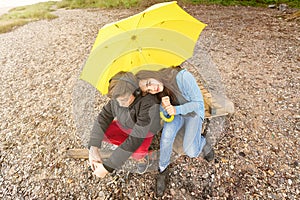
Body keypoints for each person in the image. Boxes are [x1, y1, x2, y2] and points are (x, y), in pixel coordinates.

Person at [136, 66, 214, 197]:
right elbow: (166, 116)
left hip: (193, 114)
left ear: (153, 74)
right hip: (178, 116)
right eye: (148, 90)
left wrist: (176, 110)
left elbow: (198, 104)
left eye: (149, 83)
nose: (152, 89)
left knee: (192, 152)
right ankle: (163, 170)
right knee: (166, 136)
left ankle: (203, 141)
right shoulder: (160, 92)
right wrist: (165, 109)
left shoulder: (183, 77)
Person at [88, 71, 162, 178]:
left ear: (136, 92)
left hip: (144, 132)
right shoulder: (117, 100)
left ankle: (142, 158)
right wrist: (93, 148)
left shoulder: (148, 103)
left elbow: (136, 137)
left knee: (138, 150)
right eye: (118, 101)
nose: (121, 104)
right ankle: (125, 149)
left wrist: (107, 167)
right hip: (126, 124)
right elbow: (103, 117)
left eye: (125, 100)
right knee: (100, 133)